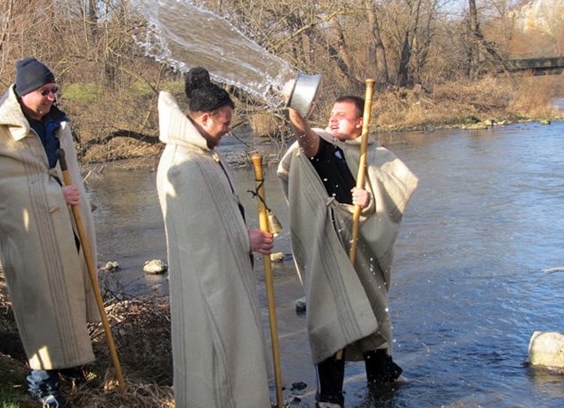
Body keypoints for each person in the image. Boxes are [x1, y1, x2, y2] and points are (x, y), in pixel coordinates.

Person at [277, 90, 418, 408]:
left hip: (362, 246)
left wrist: (369, 202)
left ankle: (382, 375)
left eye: (342, 114)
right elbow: (305, 137)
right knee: (333, 314)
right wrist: (294, 106)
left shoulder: (371, 152)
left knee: (373, 308)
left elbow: (391, 199)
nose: (333, 117)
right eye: (332, 112)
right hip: (330, 246)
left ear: (361, 122)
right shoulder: (323, 145)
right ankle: (330, 396)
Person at [0, 56, 101, 407]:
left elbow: (65, 169)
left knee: (71, 290)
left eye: (54, 90)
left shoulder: (58, 124)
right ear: (24, 92)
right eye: (44, 91)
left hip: (66, 224)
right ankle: (42, 380)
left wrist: (68, 198)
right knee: (42, 300)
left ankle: (71, 363)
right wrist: (55, 194)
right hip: (30, 233)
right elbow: (6, 192)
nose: (51, 97)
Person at [156, 67, 274, 407]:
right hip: (206, 287)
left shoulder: (203, 155)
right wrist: (245, 239)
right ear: (205, 118)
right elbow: (200, 240)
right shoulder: (184, 164)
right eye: (224, 123)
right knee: (215, 358)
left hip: (223, 277)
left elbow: (217, 220)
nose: (227, 130)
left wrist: (242, 235)